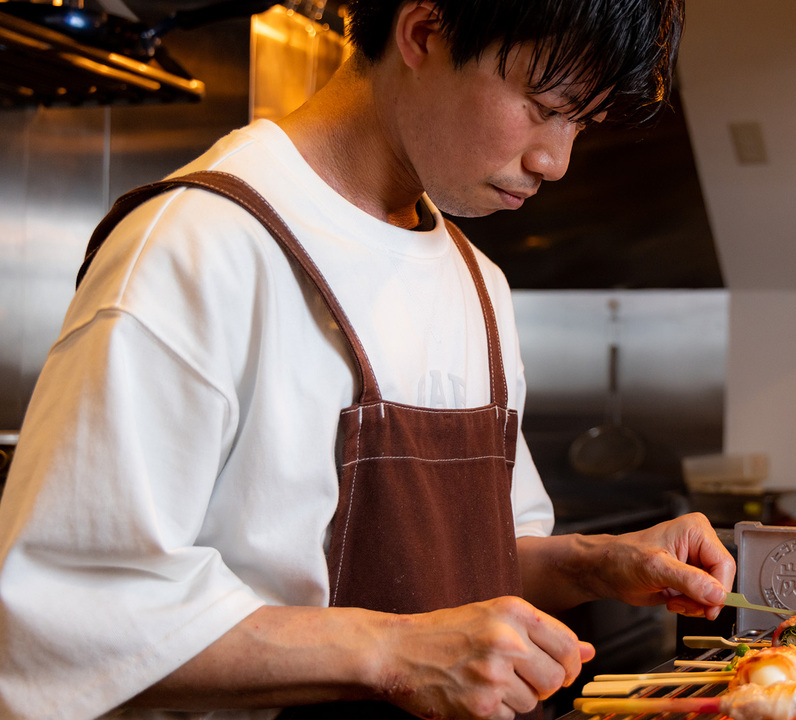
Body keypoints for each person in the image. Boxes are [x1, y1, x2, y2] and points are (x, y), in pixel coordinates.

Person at [0, 0, 736, 718]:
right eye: (546, 105)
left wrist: (595, 564)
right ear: (422, 31)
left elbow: (476, 555)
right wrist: (393, 652)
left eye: (584, 121)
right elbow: (63, 618)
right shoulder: (197, 249)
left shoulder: (479, 283)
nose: (556, 160)